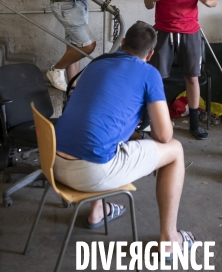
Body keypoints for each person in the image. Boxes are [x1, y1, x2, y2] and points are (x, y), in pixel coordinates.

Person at [53, 21, 196, 257]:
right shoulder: (149, 73)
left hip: (54, 164)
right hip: (91, 173)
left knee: (102, 136)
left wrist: (138, 137)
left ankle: (98, 210)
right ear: (150, 54)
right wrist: (147, 141)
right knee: (175, 151)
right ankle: (170, 240)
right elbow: (164, 135)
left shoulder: (96, 64)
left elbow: (100, 116)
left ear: (122, 44)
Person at [144, 0, 217, 140]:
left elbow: (213, 0)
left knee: (192, 78)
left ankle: (194, 123)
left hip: (190, 31)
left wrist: (207, 0)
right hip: (163, 31)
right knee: (157, 78)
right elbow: (147, 3)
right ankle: (150, 121)